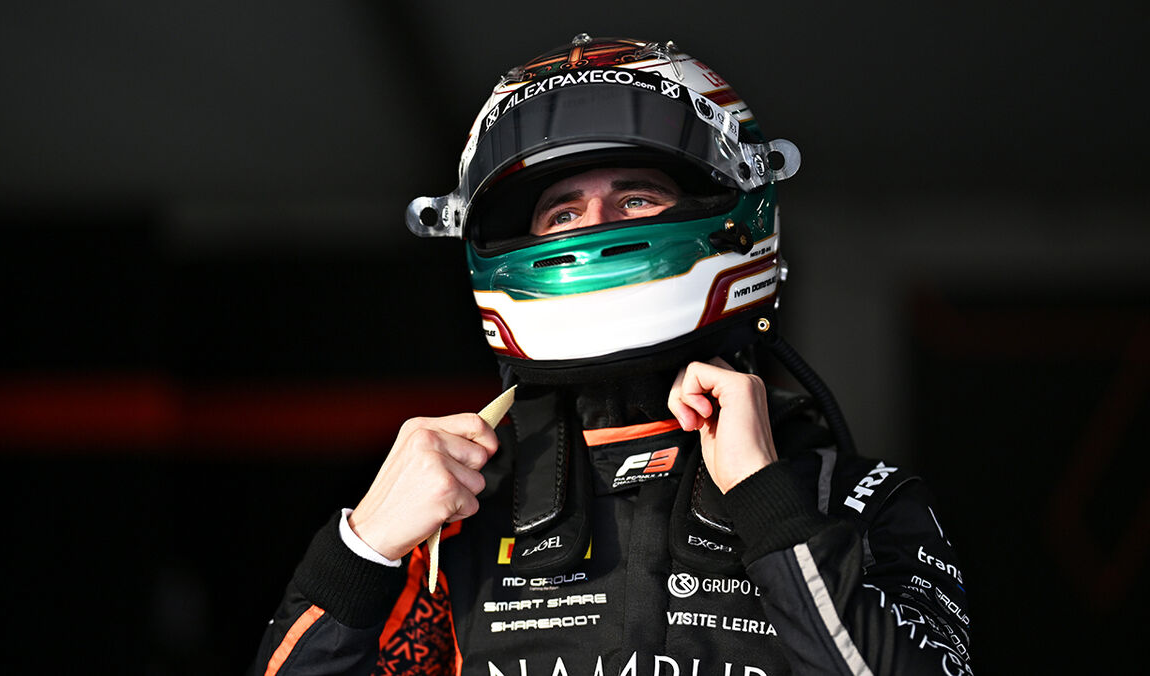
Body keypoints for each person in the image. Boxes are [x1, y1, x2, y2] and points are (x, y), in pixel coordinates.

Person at [250, 35, 971, 676]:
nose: (594, 230)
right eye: (562, 212)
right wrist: (361, 549)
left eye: (636, 200)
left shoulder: (854, 498)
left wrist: (768, 502)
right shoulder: (454, 512)